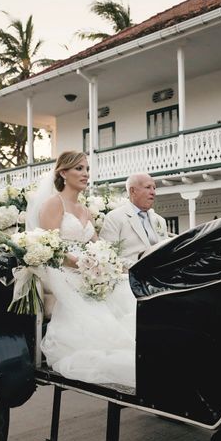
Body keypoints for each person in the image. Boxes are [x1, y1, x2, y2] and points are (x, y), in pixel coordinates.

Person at [26, 150, 137, 386]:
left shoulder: (85, 210)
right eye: (79, 168)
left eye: (87, 169)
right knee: (98, 314)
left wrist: (111, 264)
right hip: (61, 270)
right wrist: (82, 264)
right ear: (63, 173)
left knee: (126, 287)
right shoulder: (53, 204)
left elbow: (98, 245)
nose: (85, 174)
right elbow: (50, 248)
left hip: (88, 270)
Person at [99, 172, 169, 269]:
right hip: (129, 278)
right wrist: (139, 268)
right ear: (133, 191)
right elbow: (108, 254)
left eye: (154, 188)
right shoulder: (114, 217)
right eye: (148, 187)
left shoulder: (160, 220)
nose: (153, 192)